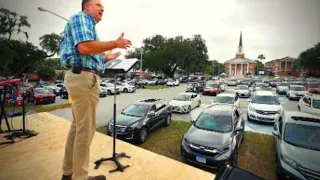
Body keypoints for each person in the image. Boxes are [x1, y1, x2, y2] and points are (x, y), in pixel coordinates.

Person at [59, 0, 131, 179]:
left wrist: (106, 58)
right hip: (84, 78)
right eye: (98, 4)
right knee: (86, 130)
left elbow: (88, 52)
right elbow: (84, 47)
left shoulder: (88, 25)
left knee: (78, 127)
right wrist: (115, 43)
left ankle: (69, 174)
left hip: (80, 76)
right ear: (86, 7)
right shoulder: (81, 18)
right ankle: (80, 177)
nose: (102, 8)